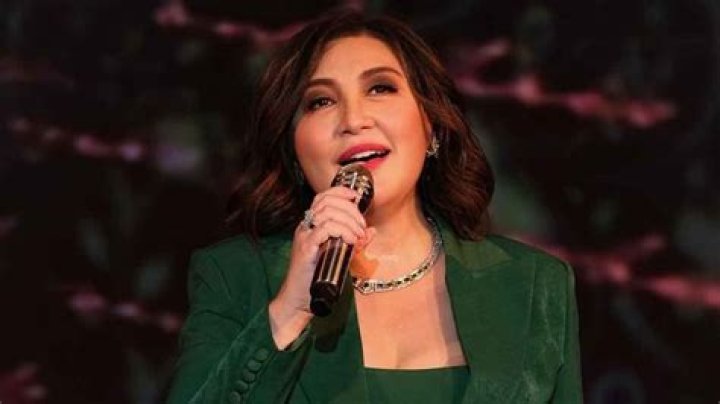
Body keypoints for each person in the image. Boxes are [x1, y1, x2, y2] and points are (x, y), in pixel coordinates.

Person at [166, 11, 582, 404]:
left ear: (432, 126)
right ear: (293, 151)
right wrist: (290, 310)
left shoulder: (535, 284)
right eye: (320, 101)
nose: (353, 120)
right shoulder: (235, 277)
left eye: (380, 88)